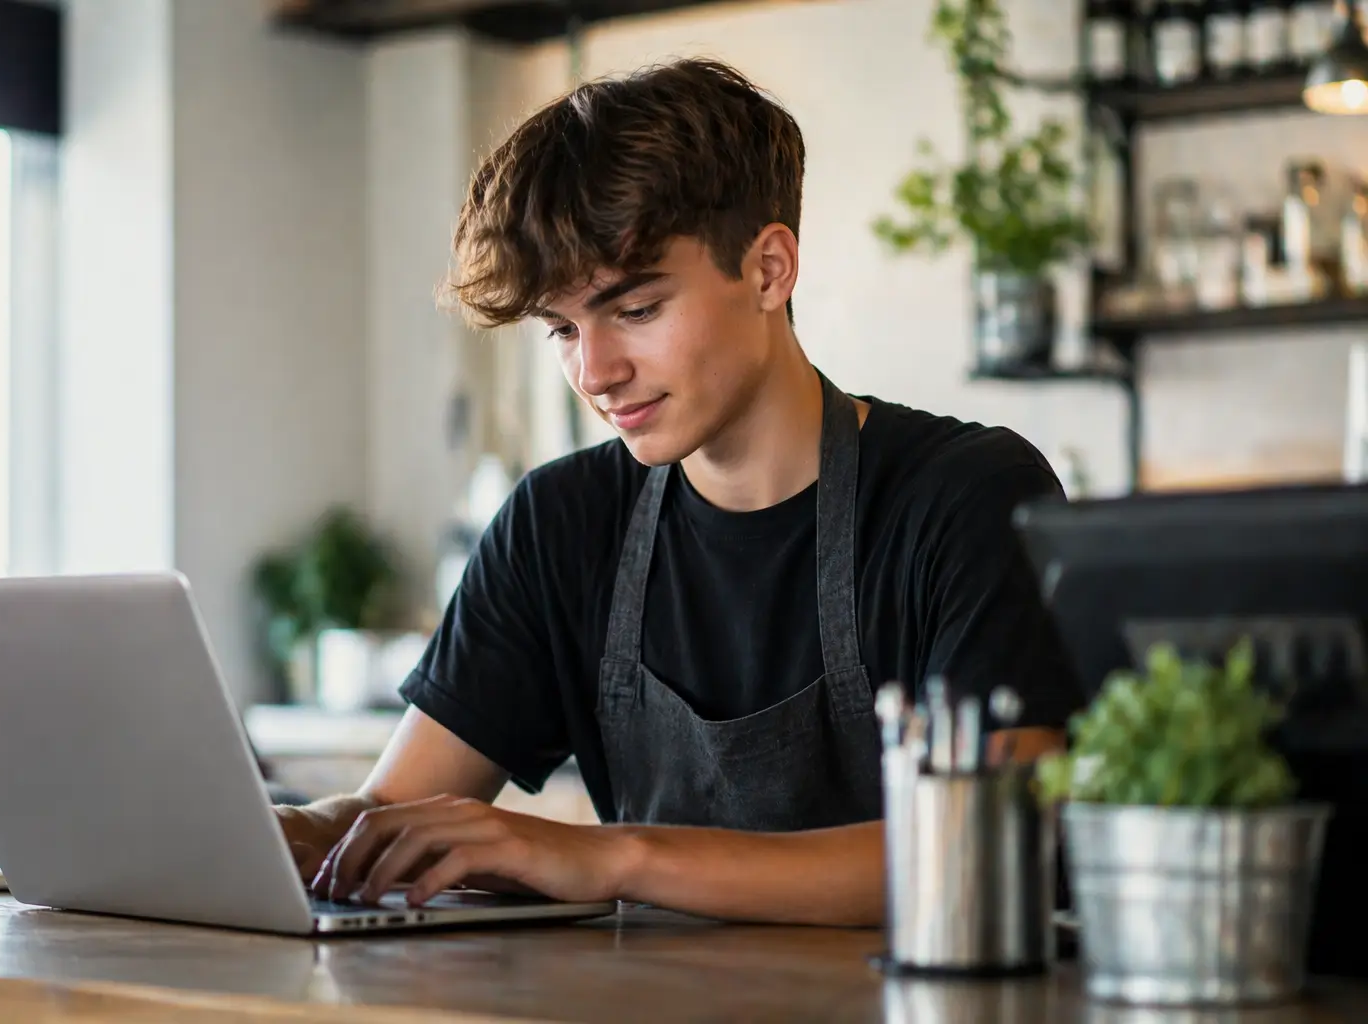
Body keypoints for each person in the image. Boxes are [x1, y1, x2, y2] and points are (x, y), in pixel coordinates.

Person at [276, 58, 1078, 927]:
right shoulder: (560, 525)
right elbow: (384, 814)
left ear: (770, 270)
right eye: (561, 329)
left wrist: (610, 856)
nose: (595, 372)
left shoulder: (967, 499)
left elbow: (987, 847)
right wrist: (289, 830)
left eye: (637, 310)